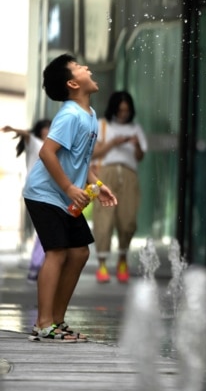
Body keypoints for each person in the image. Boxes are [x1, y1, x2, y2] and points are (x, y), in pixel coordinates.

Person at [23, 53, 117, 342]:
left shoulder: (88, 116)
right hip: (45, 193)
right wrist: (68, 188)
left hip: (65, 196)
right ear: (72, 83)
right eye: (80, 67)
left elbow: (79, 160)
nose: (87, 68)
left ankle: (57, 321)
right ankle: (43, 324)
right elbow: (46, 152)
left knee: (79, 252)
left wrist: (96, 184)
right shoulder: (69, 115)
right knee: (58, 252)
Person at [91, 90, 147, 283]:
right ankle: (102, 264)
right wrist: (113, 143)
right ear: (114, 108)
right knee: (103, 219)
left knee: (128, 219)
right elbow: (94, 153)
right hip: (106, 173)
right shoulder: (102, 125)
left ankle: (122, 260)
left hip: (129, 175)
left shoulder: (136, 128)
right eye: (120, 110)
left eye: (127, 110)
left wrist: (137, 145)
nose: (123, 113)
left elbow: (140, 156)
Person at [2, 119, 51, 282]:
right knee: (45, 231)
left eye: (49, 129)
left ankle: (38, 267)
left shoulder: (54, 148)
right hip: (36, 192)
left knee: (44, 231)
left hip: (48, 193)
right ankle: (36, 267)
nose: (47, 131)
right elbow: (27, 135)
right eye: (44, 129)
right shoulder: (36, 143)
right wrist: (14, 128)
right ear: (40, 131)